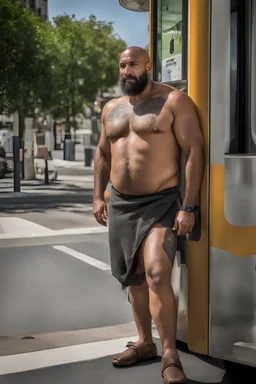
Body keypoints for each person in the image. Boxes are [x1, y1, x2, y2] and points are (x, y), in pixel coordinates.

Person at [93, 46, 204, 384]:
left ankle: (170, 355)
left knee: (157, 273)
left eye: (133, 64)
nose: (127, 70)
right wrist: (98, 195)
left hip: (160, 203)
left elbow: (194, 150)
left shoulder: (174, 101)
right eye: (122, 64)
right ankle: (144, 343)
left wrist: (189, 205)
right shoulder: (112, 108)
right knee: (134, 278)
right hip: (122, 204)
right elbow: (102, 153)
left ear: (149, 66)